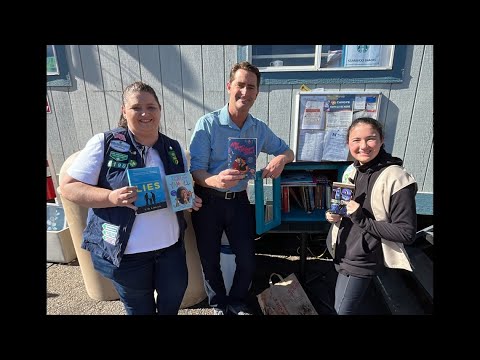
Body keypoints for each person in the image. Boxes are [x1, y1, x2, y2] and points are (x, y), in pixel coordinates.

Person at [59, 81, 202, 315]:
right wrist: (111, 196)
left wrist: (189, 198)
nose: (145, 113)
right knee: (139, 310)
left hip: (171, 250)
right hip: (128, 256)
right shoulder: (105, 144)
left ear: (159, 110)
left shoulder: (174, 148)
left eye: (151, 107)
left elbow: (179, 189)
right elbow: (68, 187)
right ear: (124, 111)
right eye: (136, 107)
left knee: (172, 303)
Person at [189, 61, 295, 315]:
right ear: (229, 86)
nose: (245, 92)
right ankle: (218, 305)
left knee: (247, 259)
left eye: (251, 87)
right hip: (208, 202)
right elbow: (196, 169)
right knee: (209, 259)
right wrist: (212, 180)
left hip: (239, 201)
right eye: (240, 85)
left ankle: (236, 302)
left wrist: (281, 159)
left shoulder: (257, 128)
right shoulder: (208, 124)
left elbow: (288, 150)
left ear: (257, 93)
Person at [325, 117, 417, 315]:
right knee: (346, 305)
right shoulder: (351, 170)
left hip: (363, 258)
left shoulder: (397, 178)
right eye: (356, 140)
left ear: (382, 140)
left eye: (371, 139)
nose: (363, 146)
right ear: (348, 143)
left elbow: (406, 233)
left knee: (342, 310)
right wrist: (334, 216)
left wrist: (360, 218)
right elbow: (343, 208)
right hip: (341, 249)